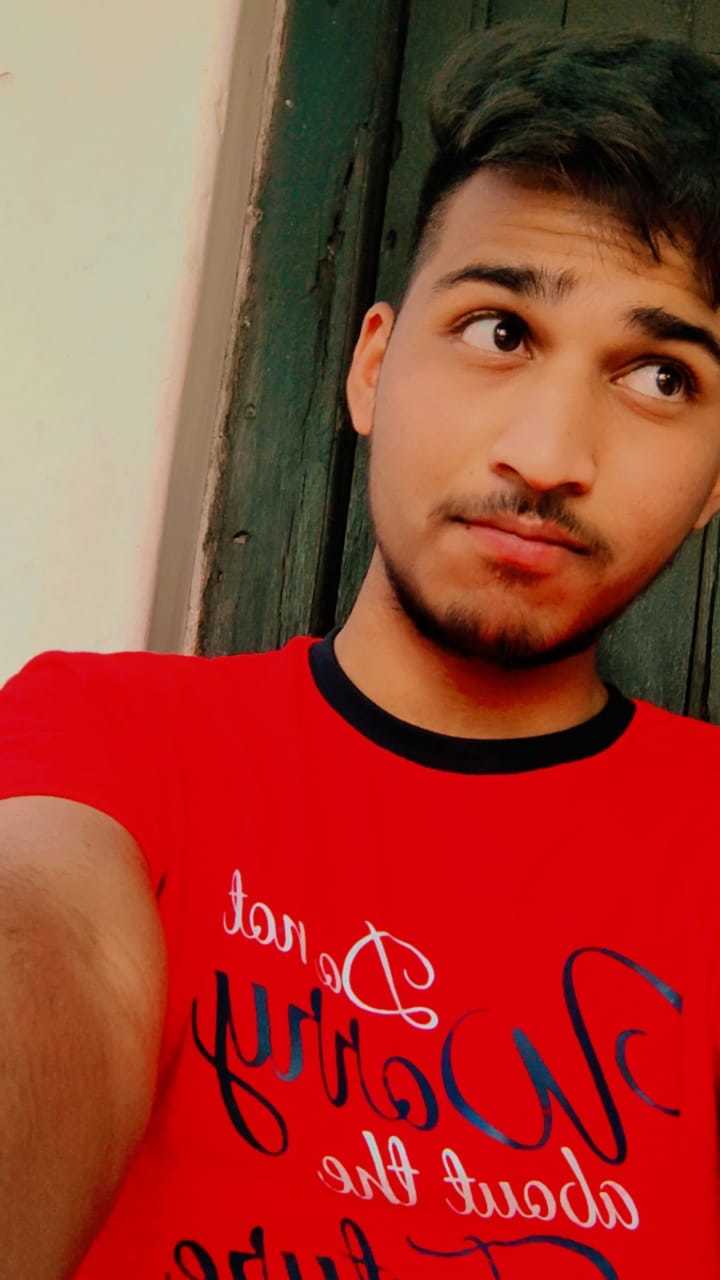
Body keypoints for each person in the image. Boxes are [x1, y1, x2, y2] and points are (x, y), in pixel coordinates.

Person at [1, 22, 720, 1279]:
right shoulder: (113, 735)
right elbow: (49, 936)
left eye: (660, 376)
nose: (550, 455)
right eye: (500, 330)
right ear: (374, 367)